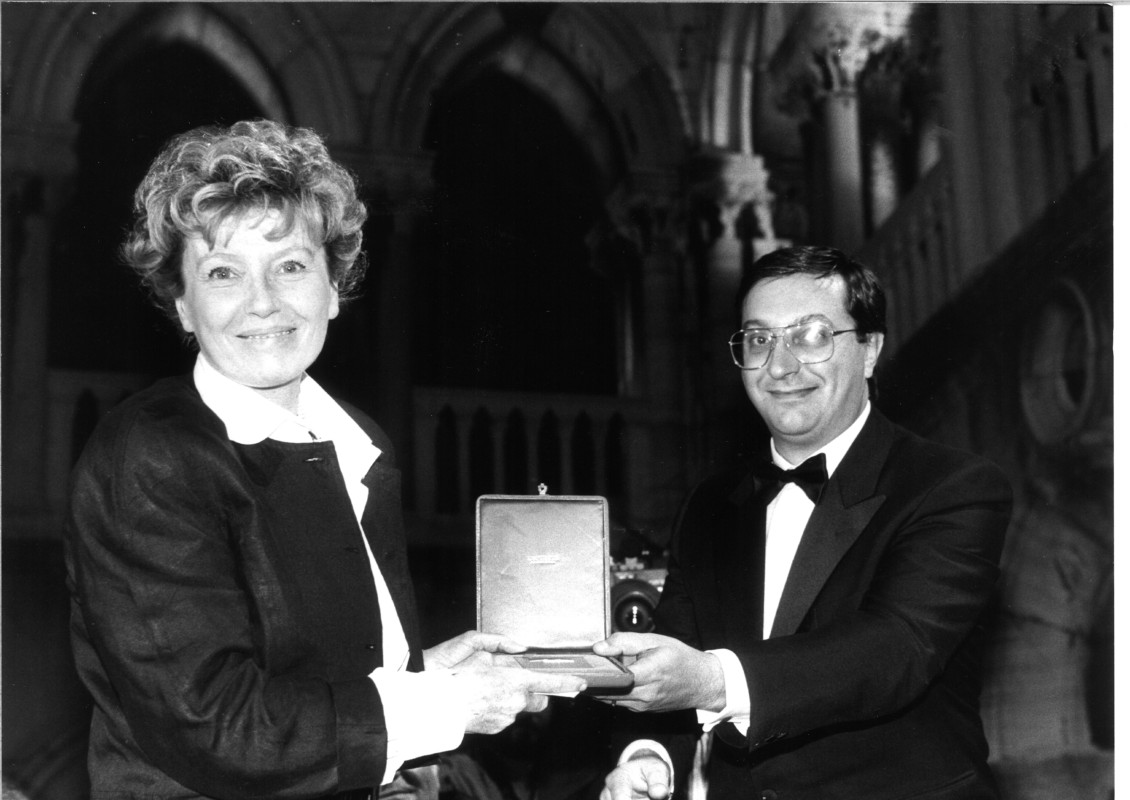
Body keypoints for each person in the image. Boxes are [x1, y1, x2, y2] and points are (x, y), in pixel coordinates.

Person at [63, 119, 585, 800]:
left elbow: (316, 679)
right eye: (223, 273)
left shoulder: (357, 444)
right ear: (182, 306)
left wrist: (427, 675)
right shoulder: (149, 455)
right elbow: (218, 725)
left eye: (290, 266)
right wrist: (446, 704)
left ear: (333, 287)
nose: (263, 302)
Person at [593, 245, 1013, 800]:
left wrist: (715, 680)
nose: (780, 366)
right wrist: (648, 756)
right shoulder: (709, 506)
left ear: (869, 350)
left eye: (811, 336)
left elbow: (895, 649)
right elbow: (672, 656)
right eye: (759, 340)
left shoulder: (952, 487)